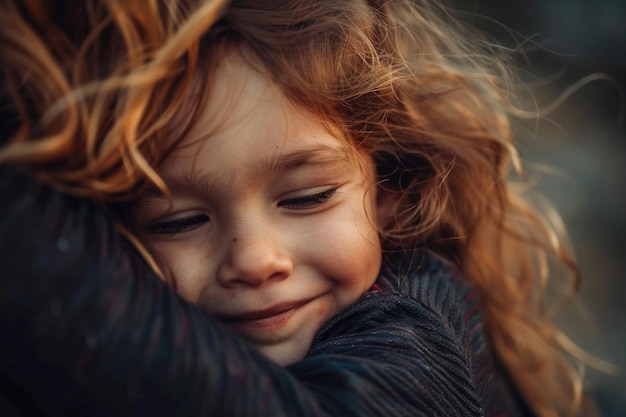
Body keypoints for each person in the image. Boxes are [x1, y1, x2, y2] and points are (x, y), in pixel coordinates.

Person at [0, 0, 596, 416]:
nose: (257, 261)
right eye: (177, 221)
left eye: (308, 197)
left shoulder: (423, 323)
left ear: (387, 188)